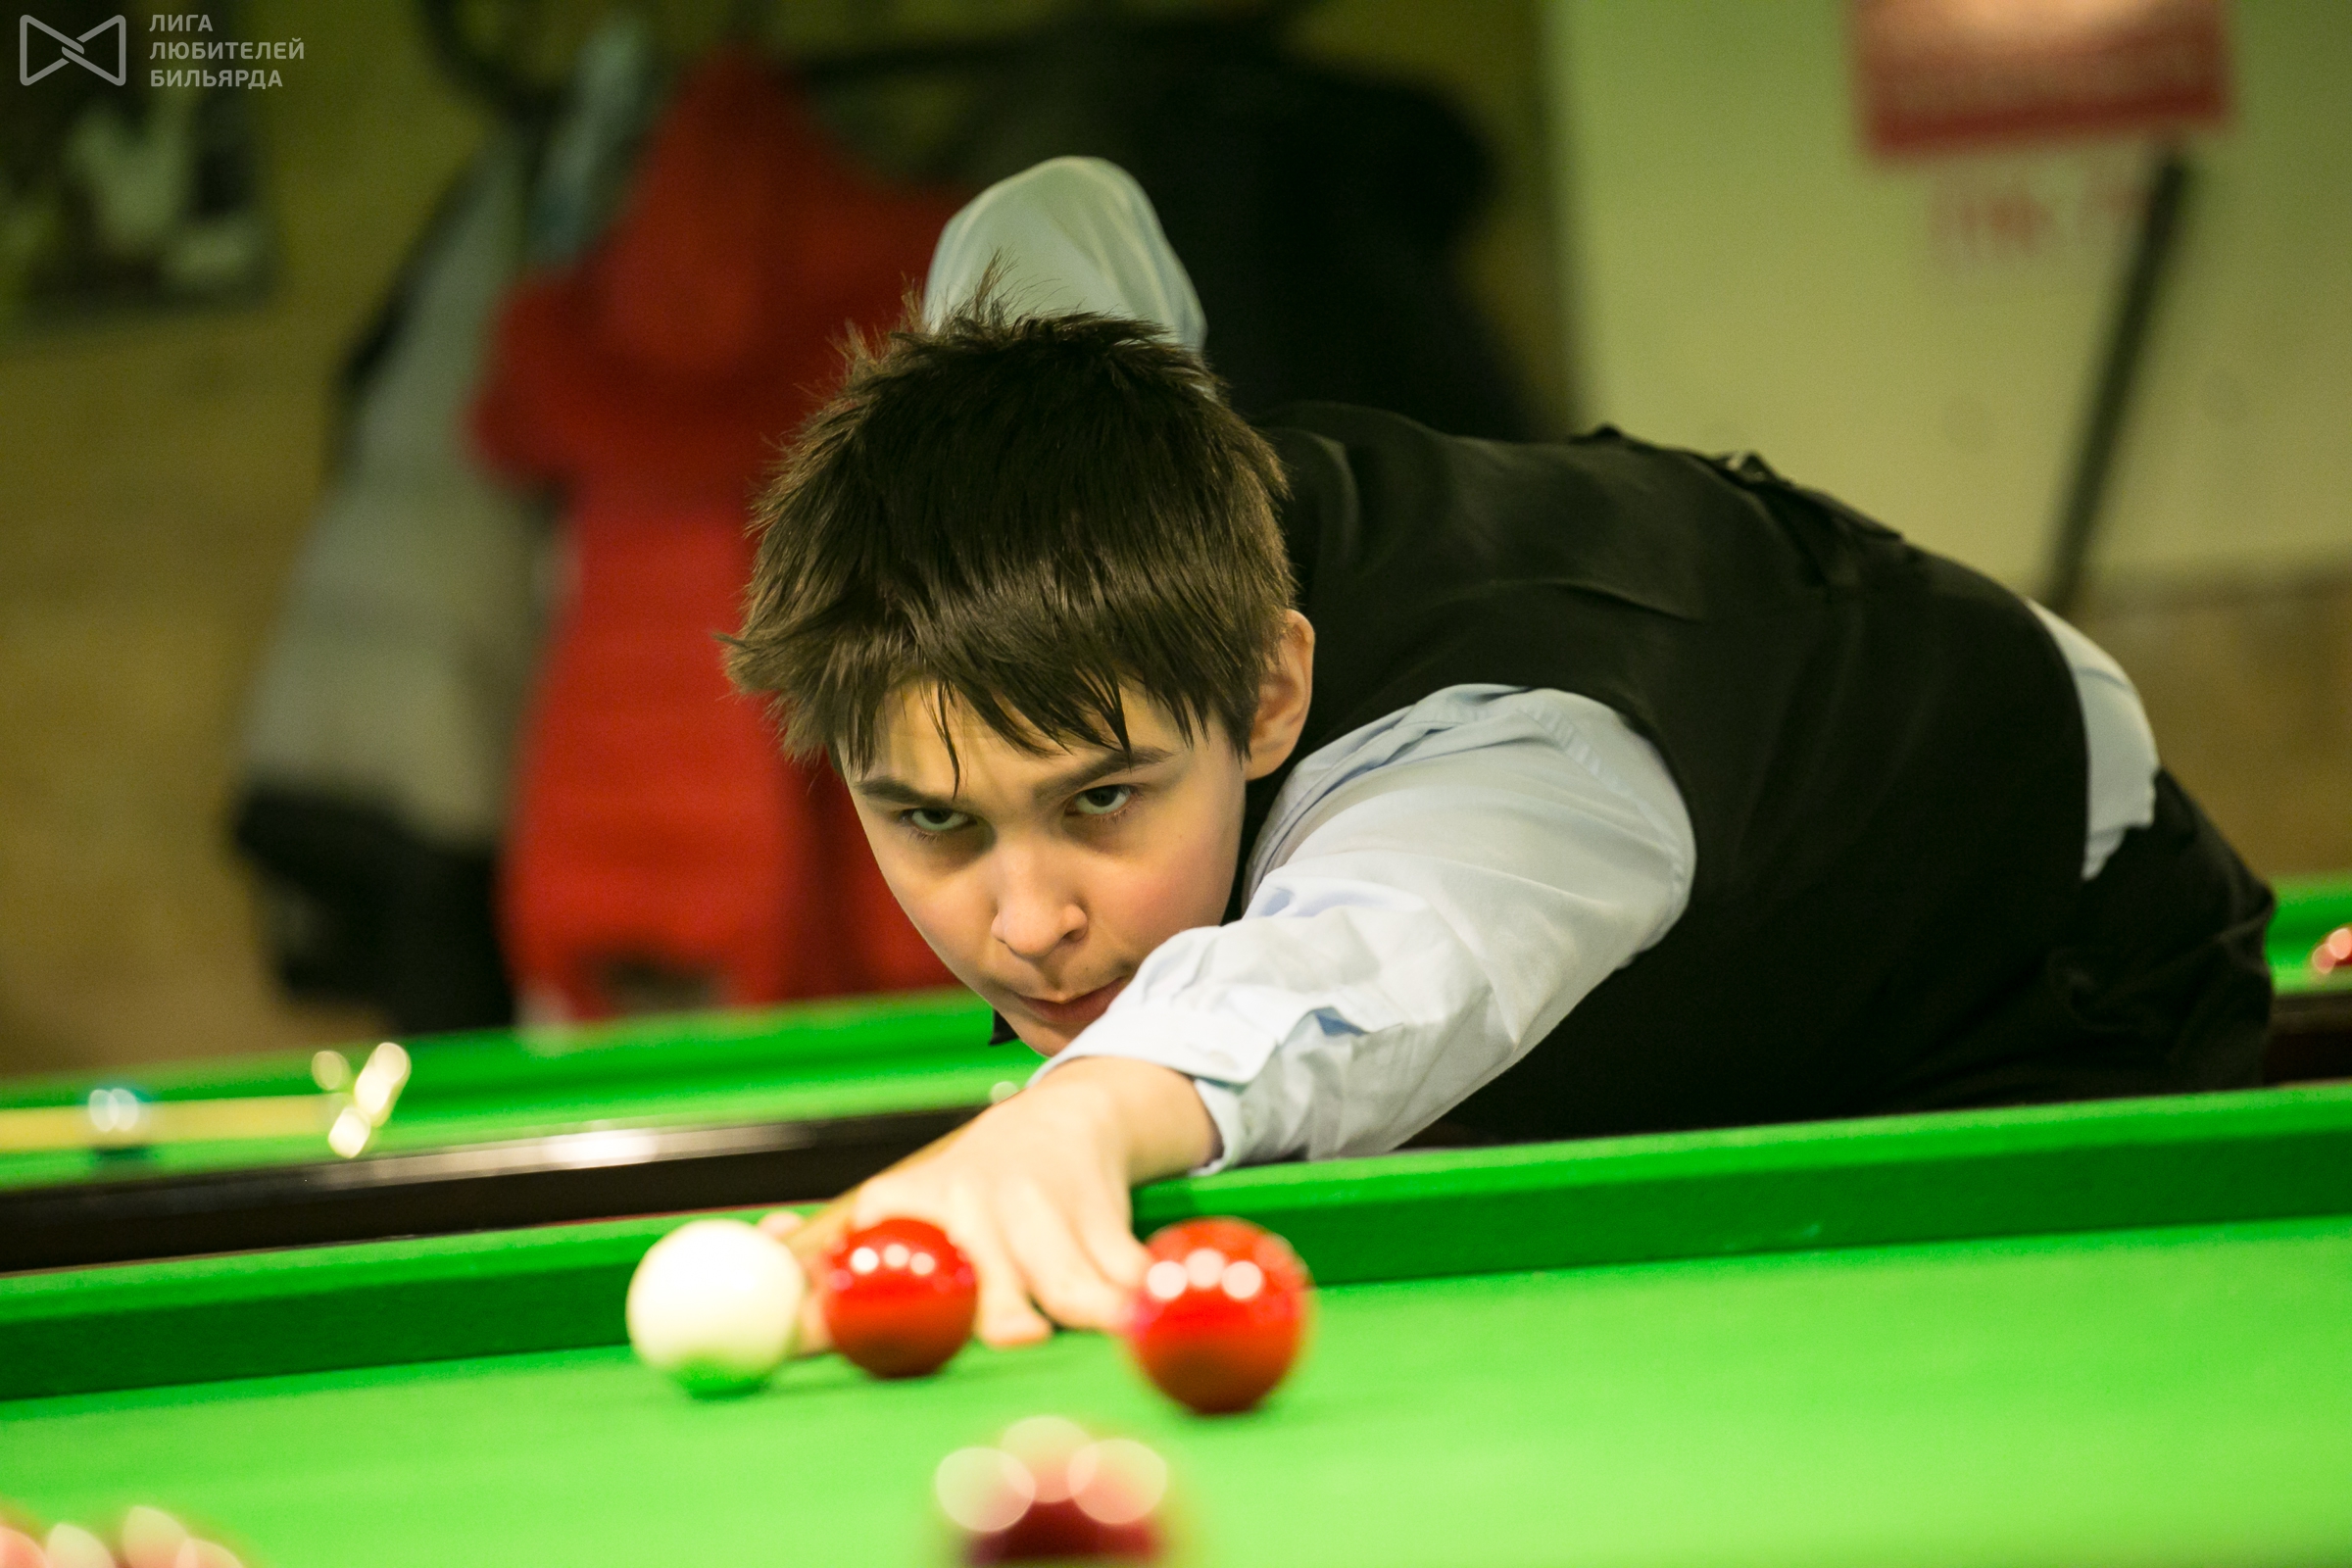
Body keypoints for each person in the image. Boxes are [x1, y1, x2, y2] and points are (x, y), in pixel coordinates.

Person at [729, 158, 2273, 1353]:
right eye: (935, 821)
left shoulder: (1511, 762)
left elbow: (1370, 967)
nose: (1027, 923)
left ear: (1268, 696)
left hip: (2035, 973)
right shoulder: (1058, 491)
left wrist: (1075, 1115)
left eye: (1103, 798)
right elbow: (1060, 219)